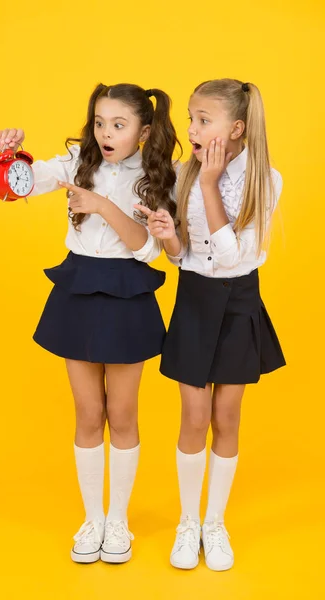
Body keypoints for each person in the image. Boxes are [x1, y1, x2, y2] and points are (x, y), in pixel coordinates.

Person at [0, 83, 180, 564]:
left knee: (124, 414)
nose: (106, 132)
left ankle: (119, 521)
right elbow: (19, 186)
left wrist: (103, 207)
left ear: (144, 130)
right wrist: (9, 160)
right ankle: (92, 519)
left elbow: (151, 250)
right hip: (78, 288)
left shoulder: (159, 176)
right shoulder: (77, 162)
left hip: (128, 292)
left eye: (118, 124)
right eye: (99, 122)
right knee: (89, 413)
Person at [136, 78, 285, 571]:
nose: (192, 129)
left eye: (204, 120)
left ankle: (214, 522)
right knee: (194, 419)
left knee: (226, 418)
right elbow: (188, 259)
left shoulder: (265, 180)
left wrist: (206, 184)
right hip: (196, 301)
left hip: (239, 301)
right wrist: (167, 236)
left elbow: (228, 257)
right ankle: (188, 521)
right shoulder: (184, 171)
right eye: (191, 118)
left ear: (237, 128)